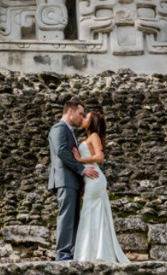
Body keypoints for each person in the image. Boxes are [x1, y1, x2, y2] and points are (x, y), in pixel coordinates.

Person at [72, 111, 129, 263]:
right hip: (91, 179)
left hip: (95, 178)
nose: (83, 118)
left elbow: (99, 157)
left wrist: (80, 159)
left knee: (89, 213)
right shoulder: (90, 137)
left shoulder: (94, 136)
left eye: (86, 117)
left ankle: (91, 253)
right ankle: (95, 252)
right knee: (92, 213)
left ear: (92, 122)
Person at [48, 99, 99, 261]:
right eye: (80, 114)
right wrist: (82, 170)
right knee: (67, 216)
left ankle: (70, 252)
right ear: (70, 111)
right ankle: (62, 254)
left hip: (72, 182)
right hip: (64, 180)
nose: (81, 118)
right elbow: (62, 152)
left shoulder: (69, 131)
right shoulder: (59, 128)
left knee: (73, 218)